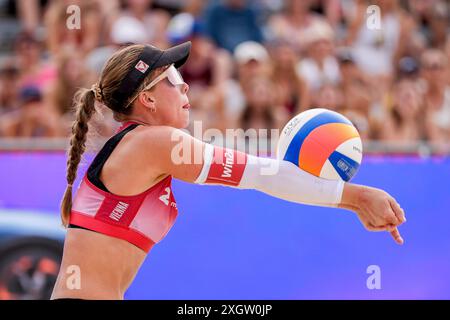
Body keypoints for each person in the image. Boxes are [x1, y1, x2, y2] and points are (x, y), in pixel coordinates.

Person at [51, 41, 406, 300]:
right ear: (148, 99)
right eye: (174, 78)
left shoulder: (139, 144)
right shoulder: (153, 143)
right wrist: (357, 197)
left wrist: (354, 202)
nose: (186, 84)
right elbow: (263, 174)